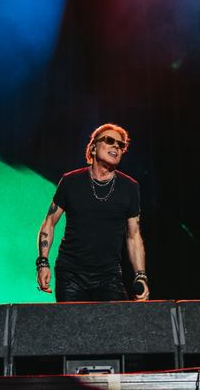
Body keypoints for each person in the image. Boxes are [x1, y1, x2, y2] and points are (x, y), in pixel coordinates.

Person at [35, 123, 149, 301]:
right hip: (71, 274)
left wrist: (140, 276)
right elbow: (49, 222)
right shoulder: (70, 181)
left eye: (121, 145)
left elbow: (133, 236)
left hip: (109, 276)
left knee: (116, 319)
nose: (116, 146)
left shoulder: (130, 187)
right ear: (93, 148)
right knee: (71, 319)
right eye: (109, 140)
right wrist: (43, 262)